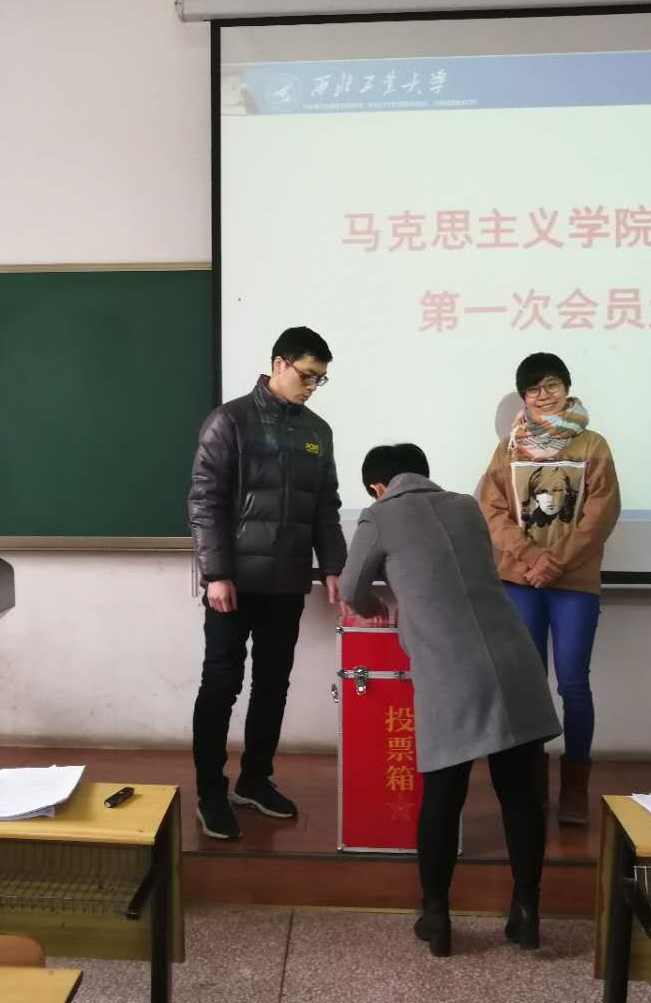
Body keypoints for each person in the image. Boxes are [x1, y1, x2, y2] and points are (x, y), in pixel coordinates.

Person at [340, 443, 561, 957]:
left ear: (377, 487)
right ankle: (526, 914)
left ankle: (437, 919)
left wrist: (377, 607)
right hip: (514, 658)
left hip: (451, 671)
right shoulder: (465, 505)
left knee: (443, 800)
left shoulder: (379, 515)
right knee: (521, 798)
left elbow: (352, 588)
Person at [188, 326, 346, 840]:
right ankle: (211, 791)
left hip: (287, 583)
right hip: (233, 585)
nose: (312, 387)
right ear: (279, 364)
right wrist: (217, 573)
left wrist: (334, 565)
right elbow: (205, 501)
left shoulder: (318, 431)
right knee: (221, 684)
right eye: (307, 375)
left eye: (320, 379)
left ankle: (255, 780)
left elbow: (325, 507)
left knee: (273, 685)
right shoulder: (229, 421)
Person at [476, 352, 620, 826]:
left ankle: (575, 787)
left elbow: (601, 513)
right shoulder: (509, 447)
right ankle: (532, 781)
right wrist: (531, 557)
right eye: (534, 389)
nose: (544, 395)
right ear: (524, 397)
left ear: (566, 387)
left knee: (573, 683)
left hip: (574, 582)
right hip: (521, 581)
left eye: (552, 385)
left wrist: (555, 561)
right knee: (529, 682)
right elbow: (491, 510)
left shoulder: (592, 445)